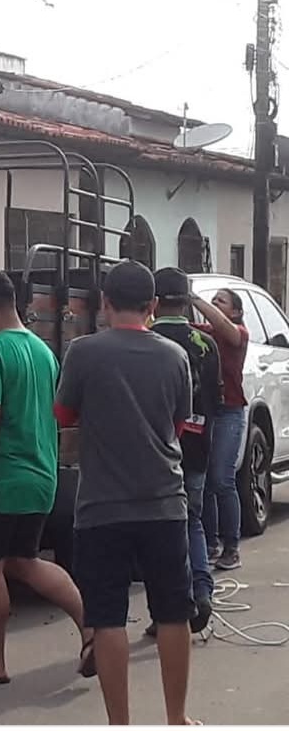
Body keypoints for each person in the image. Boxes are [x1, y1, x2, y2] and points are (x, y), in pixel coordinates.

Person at [55, 261, 197, 726]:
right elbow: (177, 426)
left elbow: (62, 414)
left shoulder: (83, 352)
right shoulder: (175, 356)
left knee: (109, 616)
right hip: (164, 503)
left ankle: (120, 723)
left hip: (101, 507)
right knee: (173, 613)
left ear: (105, 304)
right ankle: (176, 719)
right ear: (153, 307)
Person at [0, 269, 94, 686]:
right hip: (40, 475)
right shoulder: (43, 352)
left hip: (1, 477)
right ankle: (93, 627)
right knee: (24, 561)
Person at [147, 267, 222, 636]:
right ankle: (202, 590)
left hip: (156, 451)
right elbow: (217, 402)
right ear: (187, 299)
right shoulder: (206, 343)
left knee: (156, 533)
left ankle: (164, 611)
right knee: (192, 521)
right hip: (198, 446)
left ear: (154, 302)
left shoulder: (146, 342)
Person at [190, 287, 249, 571]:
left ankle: (232, 547)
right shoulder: (205, 333)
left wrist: (195, 299)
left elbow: (227, 330)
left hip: (230, 412)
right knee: (205, 480)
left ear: (235, 311)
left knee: (222, 479)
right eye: (212, 300)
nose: (213, 304)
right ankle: (210, 544)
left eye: (220, 301)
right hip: (209, 411)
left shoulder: (238, 333)